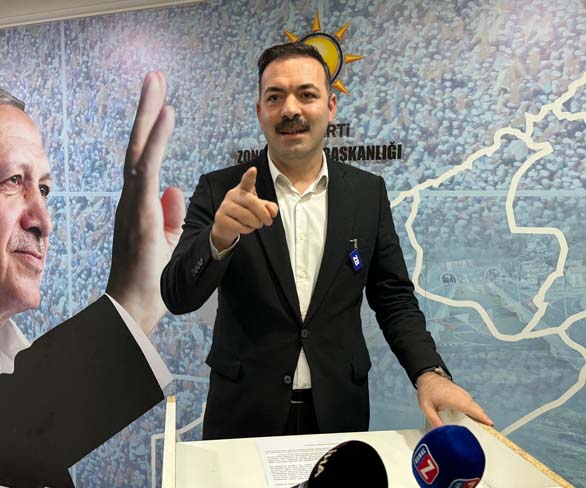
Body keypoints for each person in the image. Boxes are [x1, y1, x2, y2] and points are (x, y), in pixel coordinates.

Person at [161, 42, 493, 440]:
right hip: (243, 413)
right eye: (275, 97)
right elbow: (177, 297)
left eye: (307, 94)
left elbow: (393, 298)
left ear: (331, 107)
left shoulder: (366, 194)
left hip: (338, 411)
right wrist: (218, 237)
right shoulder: (221, 191)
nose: (291, 109)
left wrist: (429, 372)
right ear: (259, 111)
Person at [0, 73, 184, 487]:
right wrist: (133, 305)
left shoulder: (15, 357)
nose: (44, 222)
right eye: (14, 181)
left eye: (45, 189)